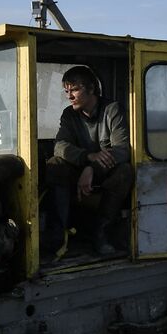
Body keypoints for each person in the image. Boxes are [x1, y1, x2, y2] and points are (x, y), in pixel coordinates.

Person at [43, 65, 132, 258]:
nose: (69, 96)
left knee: (124, 172)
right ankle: (57, 235)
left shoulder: (112, 110)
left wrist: (92, 169)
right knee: (54, 164)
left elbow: (122, 150)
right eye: (66, 91)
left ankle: (102, 232)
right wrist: (87, 157)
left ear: (91, 89)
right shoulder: (69, 114)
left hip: (104, 172)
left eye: (74, 89)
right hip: (81, 169)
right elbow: (59, 145)